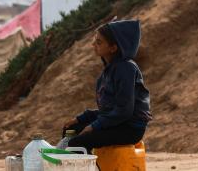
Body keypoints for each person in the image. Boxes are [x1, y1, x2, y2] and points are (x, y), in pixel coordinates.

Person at [62, 20, 152, 153]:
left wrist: (94, 126)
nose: (93, 45)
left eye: (99, 42)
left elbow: (124, 110)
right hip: (118, 123)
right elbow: (109, 111)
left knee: (78, 142)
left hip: (130, 128)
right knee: (71, 130)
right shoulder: (110, 70)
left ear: (113, 48)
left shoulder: (125, 69)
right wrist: (81, 119)